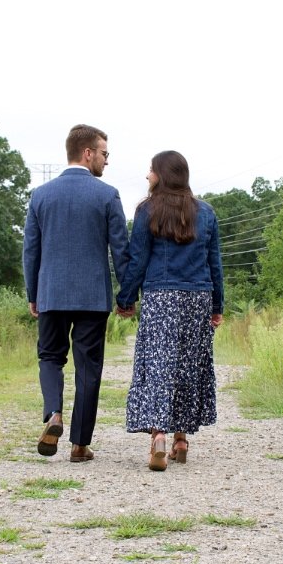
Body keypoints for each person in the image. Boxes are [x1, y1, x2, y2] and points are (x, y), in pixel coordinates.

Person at [22, 124, 131, 462]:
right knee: (88, 368)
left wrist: (33, 293)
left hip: (51, 292)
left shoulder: (41, 196)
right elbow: (120, 249)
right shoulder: (107, 195)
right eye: (104, 153)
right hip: (91, 297)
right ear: (88, 153)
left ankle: (53, 414)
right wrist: (126, 294)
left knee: (50, 357)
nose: (106, 161)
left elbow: (30, 250)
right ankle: (79, 446)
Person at [116, 150, 224, 471]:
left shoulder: (147, 211)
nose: (147, 176)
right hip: (197, 297)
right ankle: (181, 438)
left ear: (162, 175)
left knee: (160, 364)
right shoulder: (206, 213)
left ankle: (159, 436)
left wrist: (125, 299)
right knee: (188, 365)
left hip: (161, 297)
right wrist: (217, 305)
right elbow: (214, 264)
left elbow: (137, 260)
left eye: (150, 171)